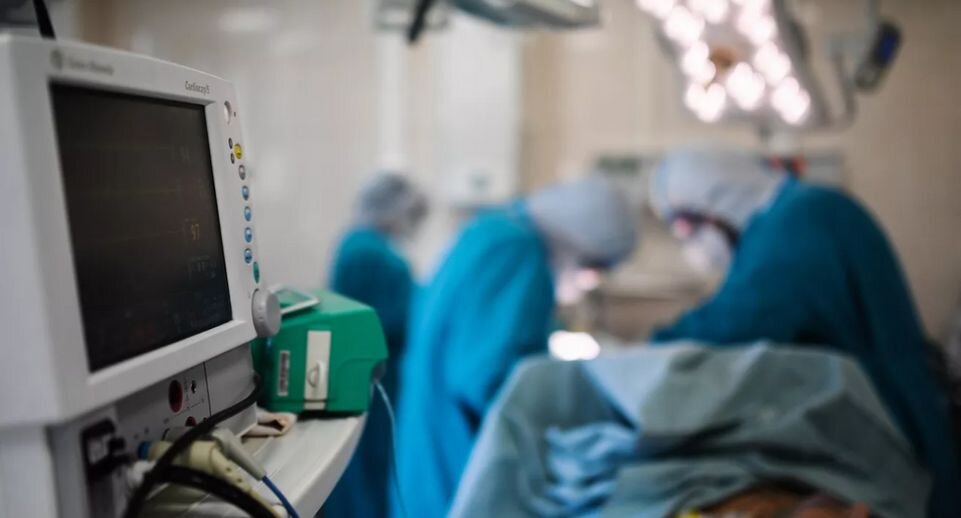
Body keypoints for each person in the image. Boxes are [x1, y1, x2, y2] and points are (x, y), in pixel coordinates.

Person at [648, 146, 961, 518]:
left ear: (715, 200)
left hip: (888, 427)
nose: (688, 243)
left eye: (686, 227)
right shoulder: (786, 219)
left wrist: (649, 351)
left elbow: (740, 319)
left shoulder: (800, 221)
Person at [391, 176, 639, 518]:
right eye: (595, 265)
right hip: (455, 464)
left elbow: (488, 330)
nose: (590, 279)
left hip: (424, 455)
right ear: (577, 241)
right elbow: (487, 378)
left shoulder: (491, 230)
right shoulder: (518, 250)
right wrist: (571, 408)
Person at [324, 173, 428, 518]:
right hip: (374, 375)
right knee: (369, 463)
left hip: (366, 373)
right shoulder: (371, 253)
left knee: (364, 463)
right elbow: (395, 317)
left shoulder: (358, 243)